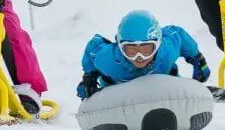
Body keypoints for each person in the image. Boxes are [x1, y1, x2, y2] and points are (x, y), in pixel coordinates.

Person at [76, 9, 210, 99]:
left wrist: (198, 60)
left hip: (163, 82)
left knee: (169, 70)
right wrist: (89, 78)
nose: (139, 57)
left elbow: (178, 34)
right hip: (117, 90)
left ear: (158, 43)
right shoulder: (108, 59)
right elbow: (94, 47)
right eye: (131, 50)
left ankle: (174, 78)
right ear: (120, 46)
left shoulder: (167, 49)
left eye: (146, 50)